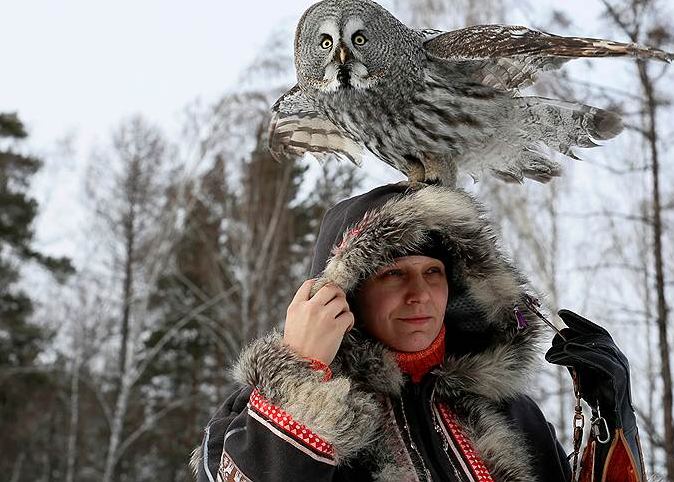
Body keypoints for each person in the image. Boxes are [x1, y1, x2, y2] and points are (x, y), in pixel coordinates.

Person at [192, 183, 646, 481]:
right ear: (345, 292)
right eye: (392, 274)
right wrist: (300, 380)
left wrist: (608, 418)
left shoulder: (515, 416)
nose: (420, 294)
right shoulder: (254, 418)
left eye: (434, 272)